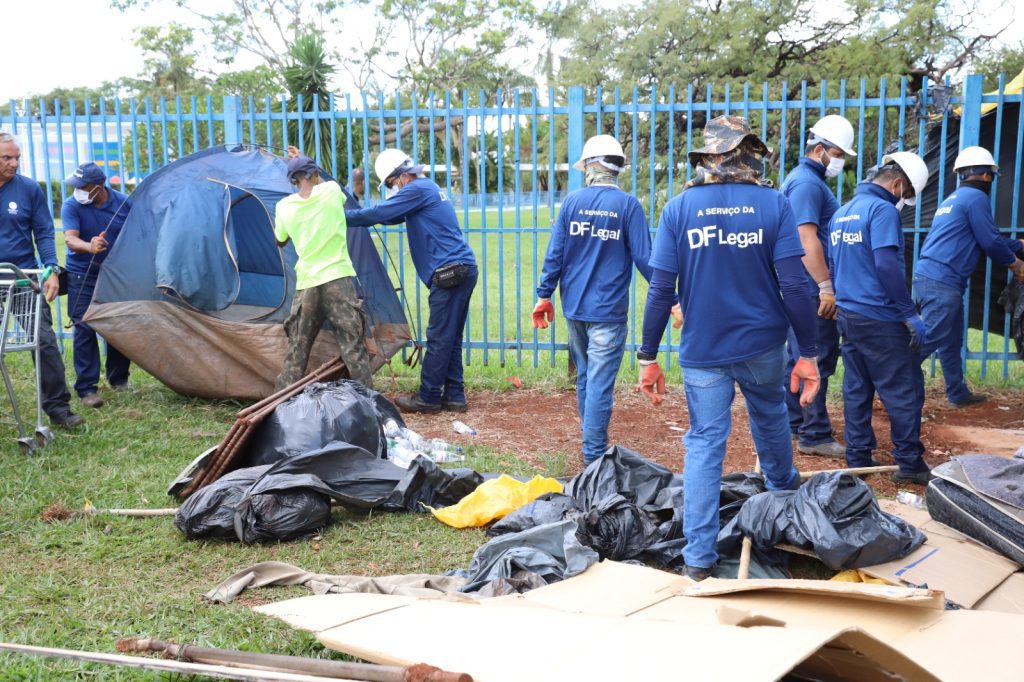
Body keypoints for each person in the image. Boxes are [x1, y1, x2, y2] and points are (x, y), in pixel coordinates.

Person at [637, 116, 820, 580]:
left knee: (704, 443)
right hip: (763, 344)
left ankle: (697, 559)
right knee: (771, 417)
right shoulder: (773, 204)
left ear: (709, 158)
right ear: (749, 154)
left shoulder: (679, 208)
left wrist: (648, 355)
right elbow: (796, 286)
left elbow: (661, 291)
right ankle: (786, 509)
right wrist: (809, 354)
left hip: (703, 350)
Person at [532, 134, 674, 465]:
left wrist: (543, 294)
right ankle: (594, 457)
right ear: (616, 169)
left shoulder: (571, 203)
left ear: (592, 166)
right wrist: (672, 297)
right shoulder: (627, 206)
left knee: (585, 376)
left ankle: (590, 444)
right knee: (597, 384)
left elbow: (555, 254)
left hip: (575, 307)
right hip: (608, 311)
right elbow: (645, 258)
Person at [345, 149, 477, 413]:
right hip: (462, 268)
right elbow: (389, 216)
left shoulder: (416, 189)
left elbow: (378, 213)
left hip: (449, 272)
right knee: (451, 338)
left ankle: (428, 398)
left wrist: (338, 216)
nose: (393, 189)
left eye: (392, 184)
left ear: (403, 176)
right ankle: (454, 395)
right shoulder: (426, 188)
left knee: (439, 337)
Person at [829, 151, 932, 485]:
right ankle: (910, 464)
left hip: (848, 314)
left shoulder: (842, 213)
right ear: (898, 184)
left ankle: (858, 458)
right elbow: (886, 265)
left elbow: (836, 266)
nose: (904, 202)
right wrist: (908, 313)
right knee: (904, 389)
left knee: (857, 388)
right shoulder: (883, 210)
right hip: (879, 317)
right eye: (906, 195)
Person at [913, 146, 1024, 406]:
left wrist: (1018, 245)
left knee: (950, 339)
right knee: (931, 338)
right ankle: (892, 381)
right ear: (987, 176)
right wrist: (1016, 264)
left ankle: (958, 394)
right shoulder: (976, 198)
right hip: (942, 280)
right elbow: (990, 243)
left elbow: (983, 237)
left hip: (934, 276)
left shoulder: (955, 199)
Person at [779, 115, 857, 458]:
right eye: (838, 153)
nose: (840, 160)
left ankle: (796, 422)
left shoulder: (803, 181)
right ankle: (815, 433)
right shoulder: (808, 185)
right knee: (816, 357)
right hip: (811, 286)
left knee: (797, 355)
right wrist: (826, 285)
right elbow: (804, 236)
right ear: (821, 149)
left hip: (801, 283)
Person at [0, 132, 82, 428]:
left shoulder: (29, 190)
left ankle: (58, 408)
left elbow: (45, 232)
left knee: (44, 341)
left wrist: (51, 269)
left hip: (23, 278)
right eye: (6, 158)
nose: (14, 163)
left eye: (17, 157)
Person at [274, 147, 373, 390]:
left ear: (293, 180)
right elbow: (328, 185)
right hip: (339, 279)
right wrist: (305, 157)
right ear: (315, 172)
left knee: (298, 349)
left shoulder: (284, 206)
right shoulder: (331, 190)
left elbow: (280, 240)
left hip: (308, 283)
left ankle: (279, 408)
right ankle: (371, 406)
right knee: (353, 346)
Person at [62, 162, 133, 408]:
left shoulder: (124, 204)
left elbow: (138, 234)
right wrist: (89, 246)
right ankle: (86, 389)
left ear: (98, 188)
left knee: (118, 325)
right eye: (76, 186)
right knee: (83, 328)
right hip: (82, 274)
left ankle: (119, 378)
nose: (77, 190)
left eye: (82, 187)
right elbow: (70, 239)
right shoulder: (72, 205)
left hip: (116, 274)